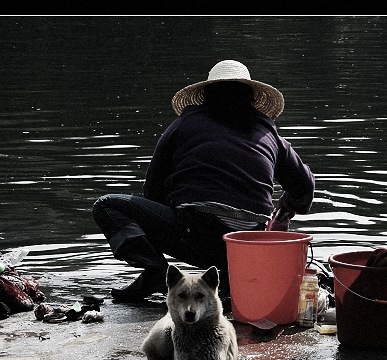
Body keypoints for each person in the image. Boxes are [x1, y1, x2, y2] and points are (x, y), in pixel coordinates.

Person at [93, 60, 315, 302]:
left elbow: (152, 188)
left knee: (106, 205)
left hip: (197, 235)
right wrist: (287, 206)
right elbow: (304, 186)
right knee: (216, 231)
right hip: (246, 248)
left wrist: (170, 208)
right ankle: (228, 277)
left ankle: (157, 271)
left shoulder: (186, 123)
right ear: (250, 98)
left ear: (206, 95)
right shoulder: (268, 132)